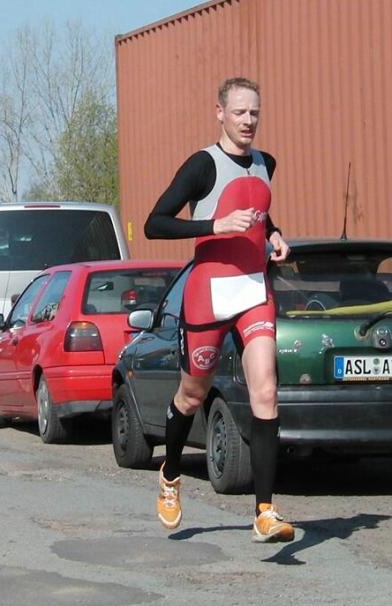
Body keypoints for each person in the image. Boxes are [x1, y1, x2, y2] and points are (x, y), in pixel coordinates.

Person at [144, 77, 293, 543]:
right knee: (192, 395)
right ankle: (170, 474)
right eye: (240, 112)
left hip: (253, 290)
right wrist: (214, 225)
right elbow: (154, 224)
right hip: (209, 293)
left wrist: (274, 235)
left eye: (255, 113)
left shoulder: (266, 163)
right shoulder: (202, 165)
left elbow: (259, 212)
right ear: (220, 113)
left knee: (266, 391)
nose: (248, 121)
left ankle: (264, 512)